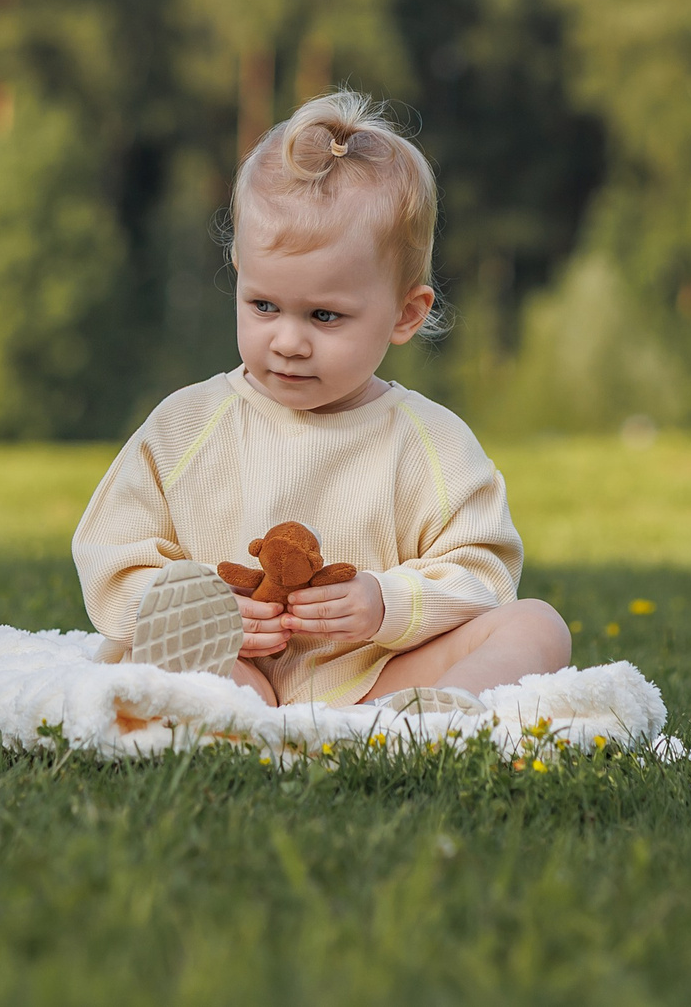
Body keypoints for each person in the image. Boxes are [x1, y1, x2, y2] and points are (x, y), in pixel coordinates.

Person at [71, 91, 571, 713]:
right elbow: (115, 554)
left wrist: (388, 603)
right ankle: (244, 720)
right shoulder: (186, 427)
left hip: (377, 681)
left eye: (324, 315)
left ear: (406, 313)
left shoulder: (431, 444)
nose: (287, 341)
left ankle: (429, 718)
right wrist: (207, 612)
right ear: (238, 273)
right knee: (181, 652)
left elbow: (483, 568)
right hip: (235, 669)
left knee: (539, 626)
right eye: (263, 306)